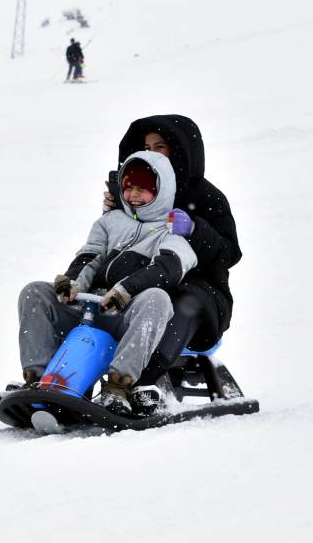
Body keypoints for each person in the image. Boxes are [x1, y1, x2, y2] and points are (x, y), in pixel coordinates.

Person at [17, 151, 197, 416]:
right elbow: (90, 255)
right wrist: (73, 283)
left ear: (161, 190)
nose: (134, 194)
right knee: (34, 291)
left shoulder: (171, 232)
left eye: (143, 189)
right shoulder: (109, 222)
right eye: (129, 187)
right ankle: (38, 379)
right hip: (89, 308)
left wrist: (126, 290)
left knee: (157, 298)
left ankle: (119, 387)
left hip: (126, 316)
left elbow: (168, 268)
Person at [103, 115, 242, 411]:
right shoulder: (137, 189)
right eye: (146, 147)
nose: (152, 153)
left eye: (161, 147)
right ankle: (63, 376)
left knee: (180, 301)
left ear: (180, 150)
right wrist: (114, 214)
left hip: (201, 290)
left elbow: (230, 252)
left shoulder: (206, 197)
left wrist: (195, 230)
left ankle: (144, 379)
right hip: (139, 279)